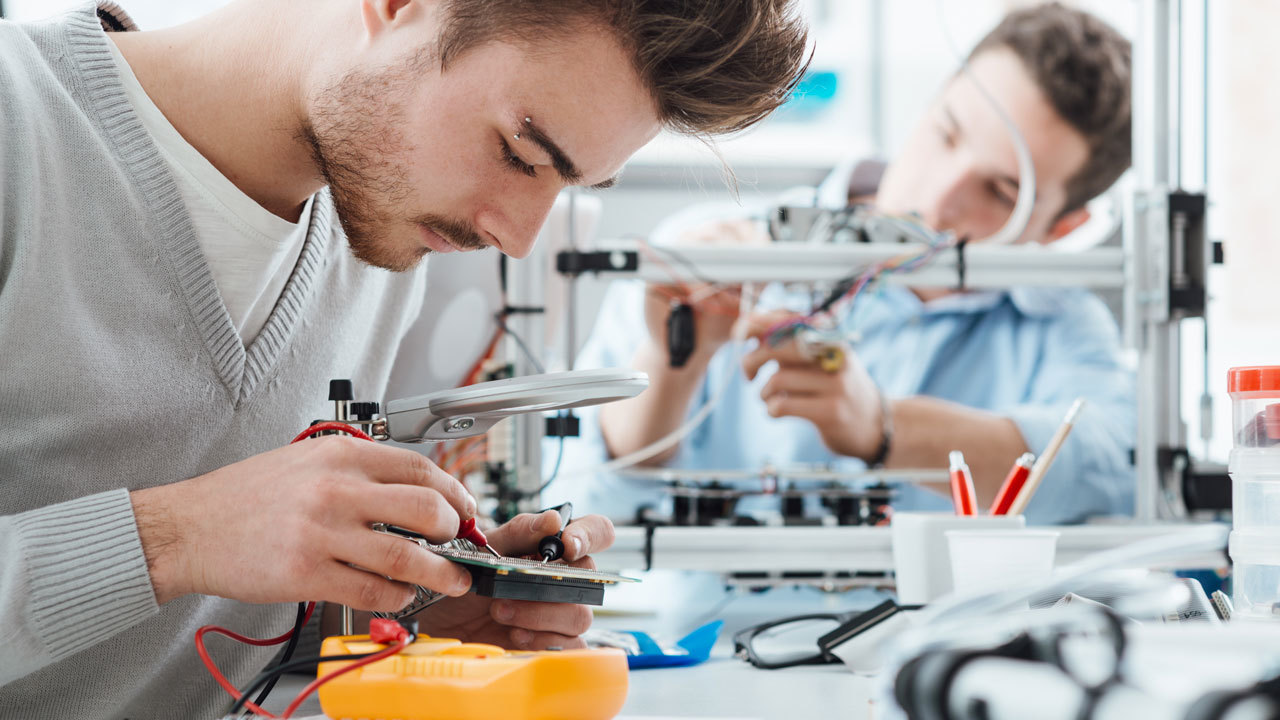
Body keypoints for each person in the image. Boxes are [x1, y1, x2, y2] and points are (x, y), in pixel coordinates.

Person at [0, 0, 810, 715]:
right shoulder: (16, 126)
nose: (518, 237)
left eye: (568, 185)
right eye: (522, 153)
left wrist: (412, 602)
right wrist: (175, 536)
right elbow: (193, 549)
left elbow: (185, 631)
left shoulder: (374, 233)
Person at [549, 3, 1135, 525]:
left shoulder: (1062, 327)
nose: (937, 200)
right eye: (947, 135)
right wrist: (674, 364)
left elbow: (1109, 473)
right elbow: (581, 501)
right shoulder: (706, 252)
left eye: (1003, 191)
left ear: (1063, 228)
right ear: (927, 105)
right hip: (712, 644)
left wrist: (882, 426)